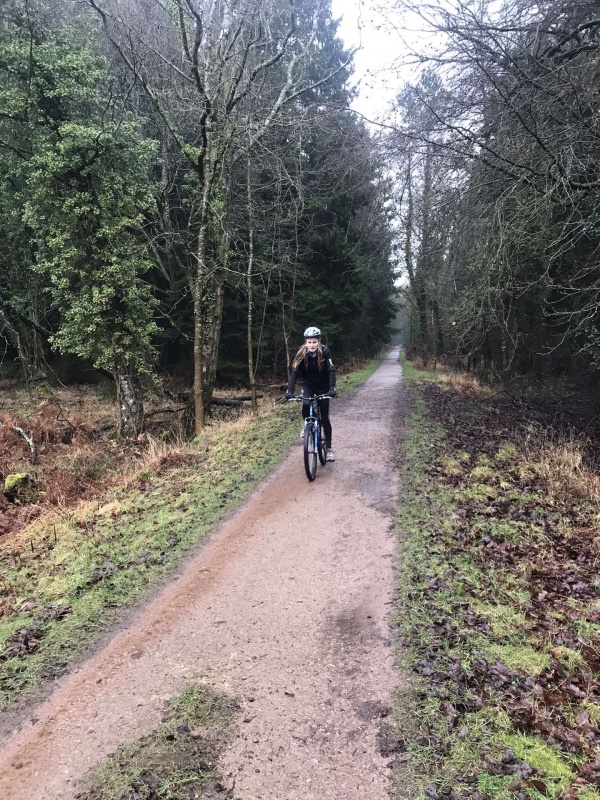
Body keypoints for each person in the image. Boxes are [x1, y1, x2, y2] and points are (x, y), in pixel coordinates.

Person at [285, 326, 337, 461]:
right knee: (305, 403)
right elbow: (295, 372)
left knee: (325, 417)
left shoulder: (325, 352)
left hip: (323, 385)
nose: (312, 345)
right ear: (305, 342)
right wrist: (289, 390)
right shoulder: (301, 354)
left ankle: (329, 449)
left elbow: (331, 370)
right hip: (308, 384)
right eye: (309, 342)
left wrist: (332, 388)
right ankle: (309, 423)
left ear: (319, 341)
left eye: (314, 342)